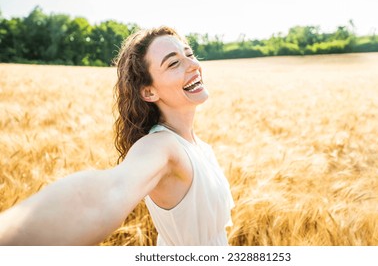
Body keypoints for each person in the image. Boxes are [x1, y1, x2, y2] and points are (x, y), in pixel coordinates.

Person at [0, 26, 234, 246]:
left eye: (189, 54)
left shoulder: (200, 146)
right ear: (149, 91)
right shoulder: (161, 146)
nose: (192, 64)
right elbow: (104, 195)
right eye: (173, 63)